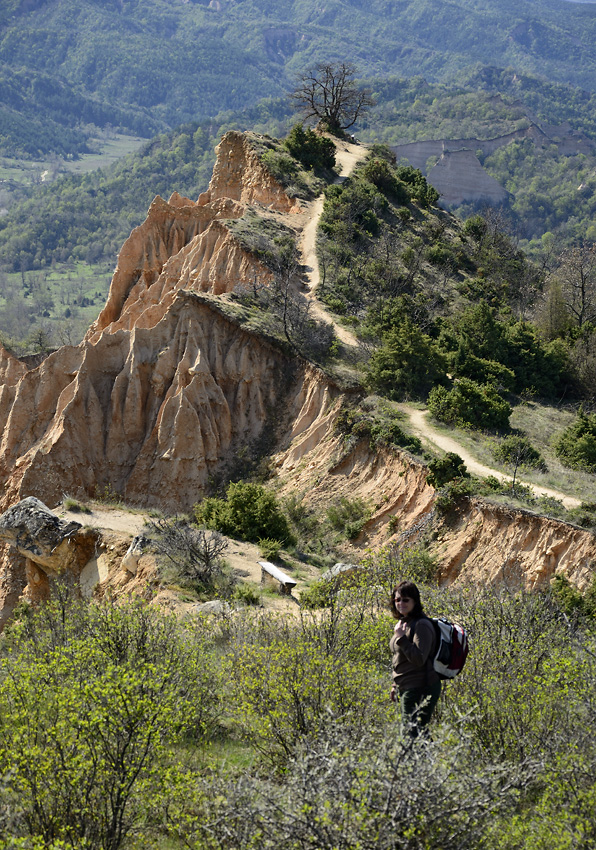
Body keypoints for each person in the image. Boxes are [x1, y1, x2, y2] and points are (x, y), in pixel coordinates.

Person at [389, 580, 441, 737]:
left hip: (420, 686)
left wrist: (402, 638)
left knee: (413, 733)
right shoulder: (405, 623)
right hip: (406, 686)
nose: (401, 603)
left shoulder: (421, 625)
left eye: (406, 600)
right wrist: (395, 684)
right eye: (397, 599)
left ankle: (426, 761)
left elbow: (419, 659)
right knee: (416, 733)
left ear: (415, 601)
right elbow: (400, 658)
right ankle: (428, 761)